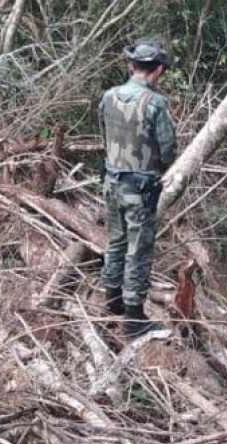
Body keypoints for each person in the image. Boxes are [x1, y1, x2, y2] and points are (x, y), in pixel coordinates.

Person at [99, 41, 177, 337]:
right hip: (140, 186)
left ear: (131, 67)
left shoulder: (108, 97)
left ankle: (112, 300)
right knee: (138, 248)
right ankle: (133, 320)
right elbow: (168, 150)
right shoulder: (155, 103)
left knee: (115, 240)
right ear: (157, 70)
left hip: (111, 180)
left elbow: (105, 138)